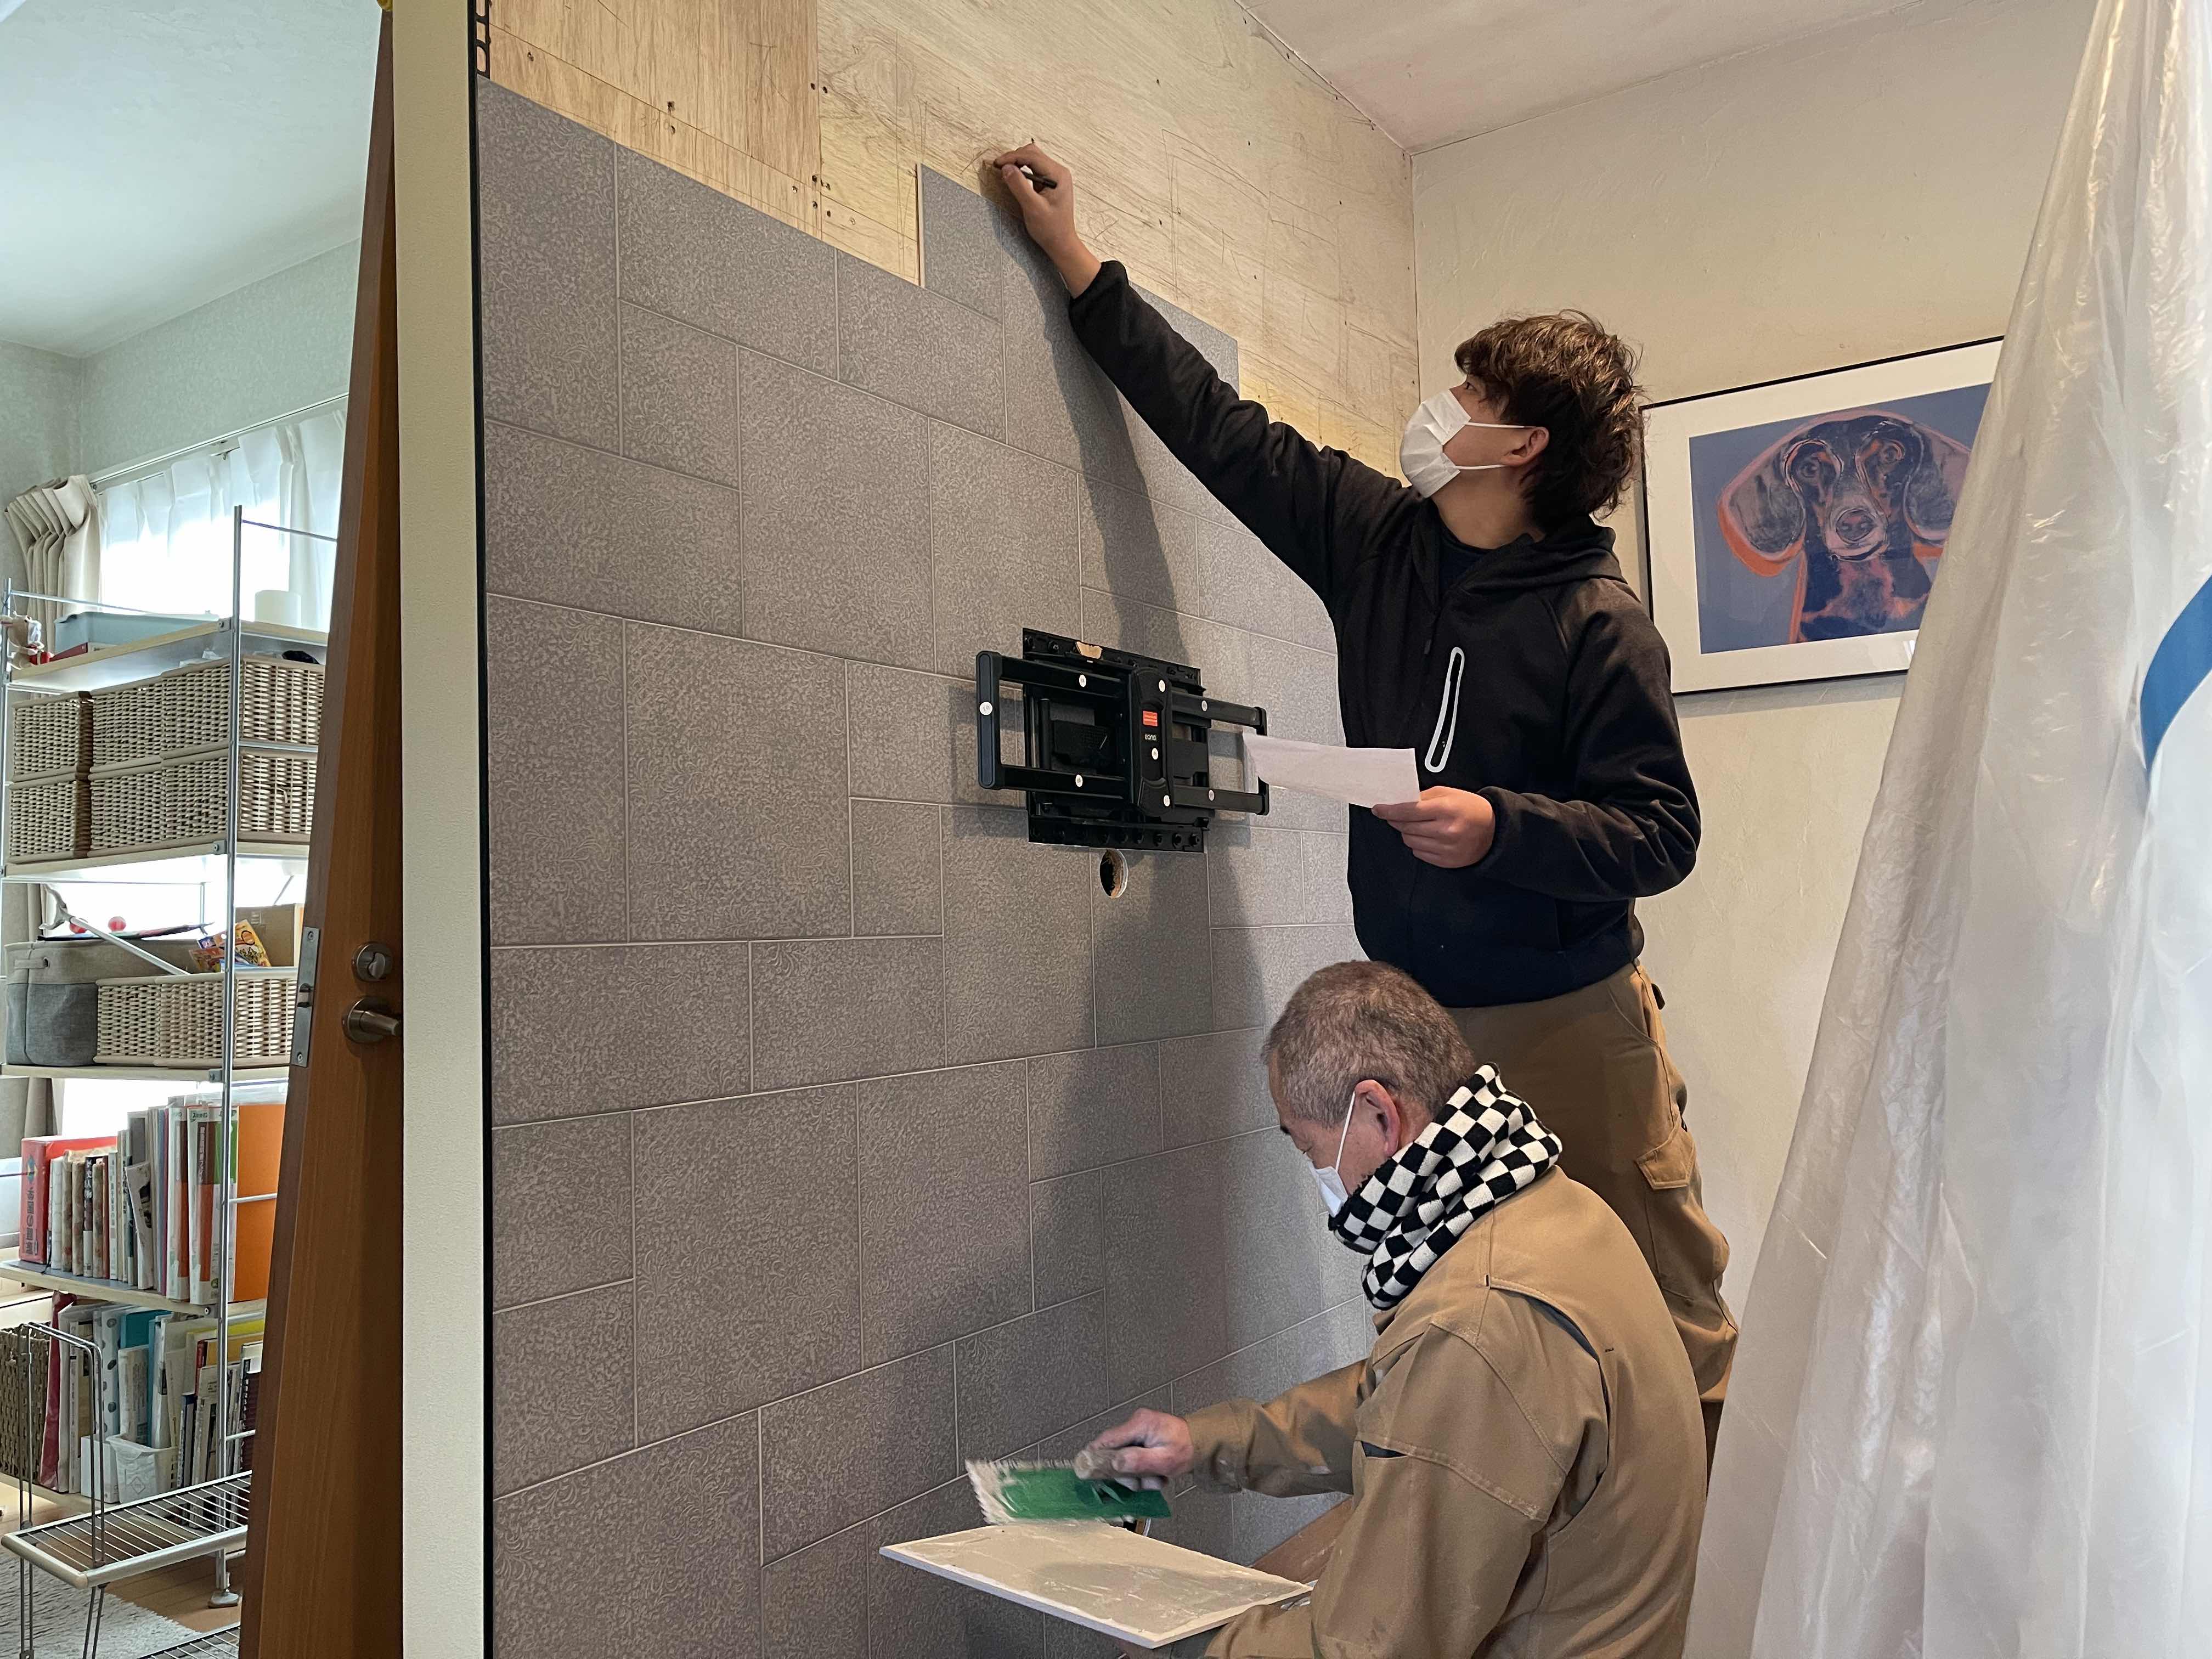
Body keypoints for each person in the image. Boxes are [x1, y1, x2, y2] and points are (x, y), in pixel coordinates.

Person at [992, 144, 1735, 1444]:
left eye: (1470, 395)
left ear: (1522, 444)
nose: (1439, 407)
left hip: (1570, 1020)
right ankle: (1469, 1519)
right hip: (1421, 1022)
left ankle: (1680, 1549)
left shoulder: (1599, 621)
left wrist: (1498, 828)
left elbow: (1662, 833)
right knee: (1451, 1309)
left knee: (1656, 1307)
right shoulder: (1380, 537)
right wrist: (1073, 259)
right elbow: (1221, 432)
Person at [1088, 961, 1705, 1657]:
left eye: (1310, 1147)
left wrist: (1174, 1638)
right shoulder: (1550, 1207)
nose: (1320, 1178)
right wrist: (1210, 1443)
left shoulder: (1479, 1325)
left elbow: (1367, 1650)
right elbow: (1401, 1402)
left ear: (1380, 1115)